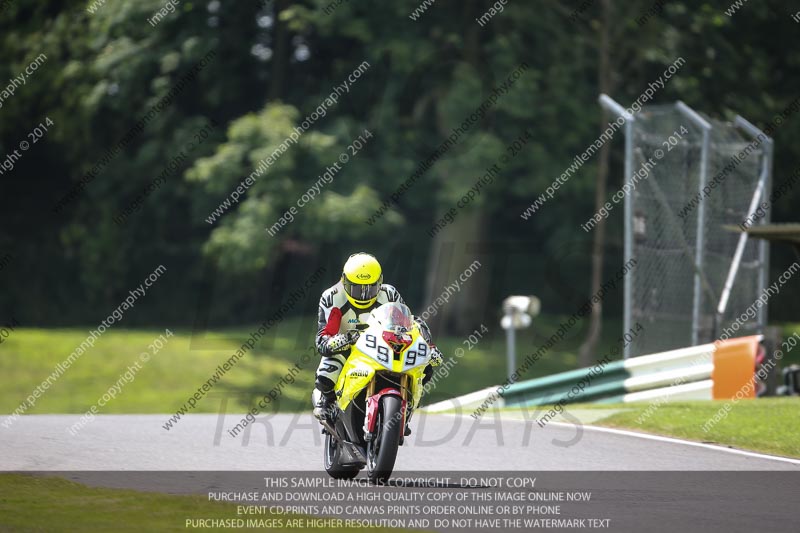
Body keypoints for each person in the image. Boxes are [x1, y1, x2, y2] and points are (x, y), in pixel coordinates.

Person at [313, 252, 442, 434]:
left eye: (370, 288)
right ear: (344, 281)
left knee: (425, 368)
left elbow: (410, 322)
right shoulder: (332, 297)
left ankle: (406, 407)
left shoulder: (389, 293)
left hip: (382, 345)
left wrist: (429, 347)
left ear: (380, 282)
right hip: (346, 348)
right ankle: (327, 402)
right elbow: (323, 339)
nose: (364, 295)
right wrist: (342, 340)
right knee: (326, 376)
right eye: (357, 288)